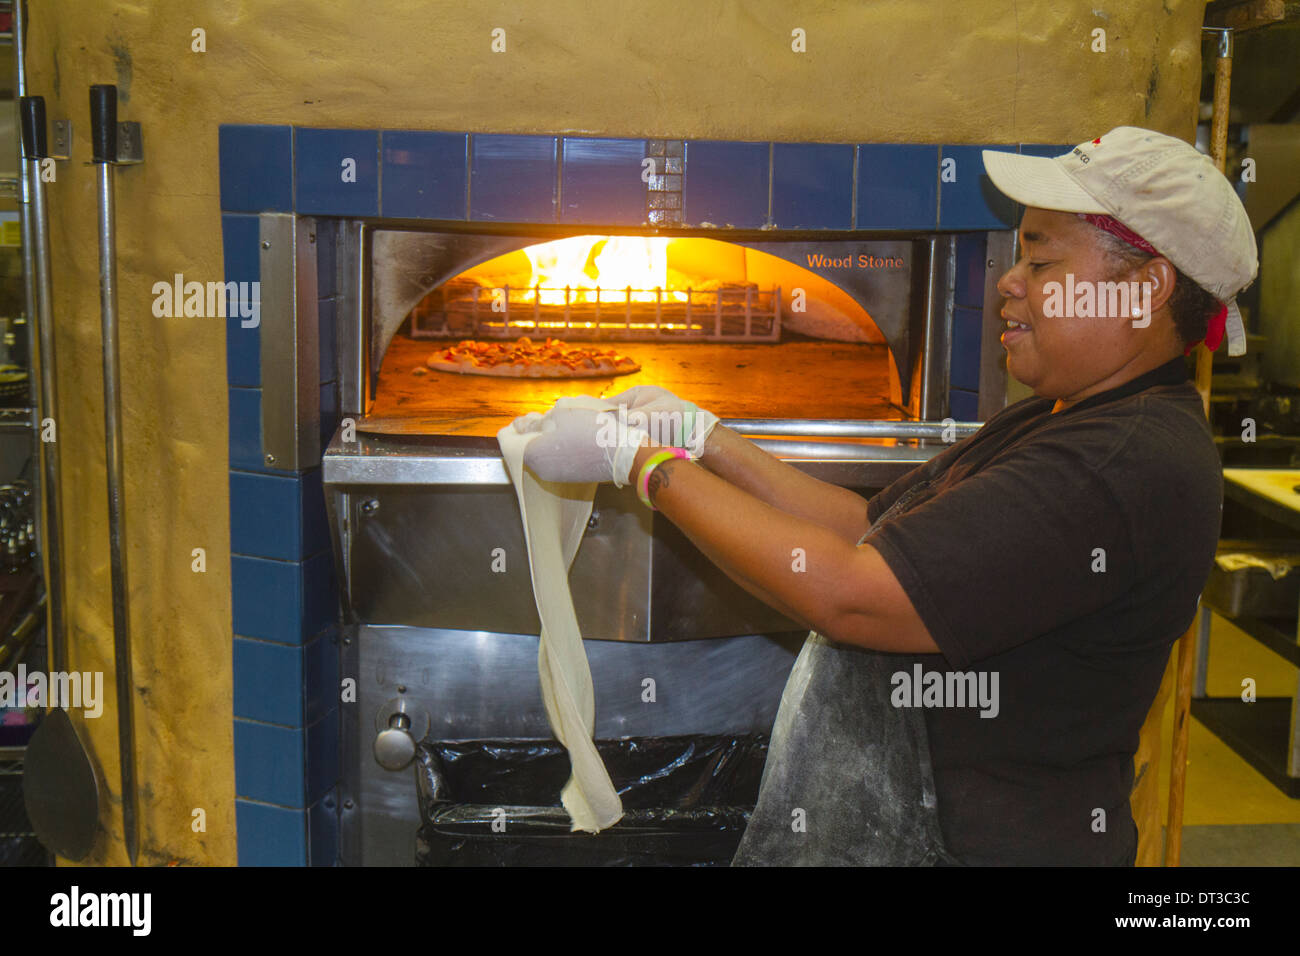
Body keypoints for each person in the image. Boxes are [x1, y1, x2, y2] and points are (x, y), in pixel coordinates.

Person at [510, 127, 1258, 865]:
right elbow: (870, 527)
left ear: (1145, 290)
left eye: (1042, 258)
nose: (1010, 278)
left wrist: (641, 467)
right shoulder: (1068, 414)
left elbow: (851, 594)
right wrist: (702, 439)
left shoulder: (1117, 463)